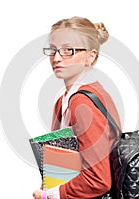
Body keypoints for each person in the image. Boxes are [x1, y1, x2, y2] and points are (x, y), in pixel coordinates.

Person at [32, 16, 121, 199]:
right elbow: (60, 167)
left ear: (90, 56)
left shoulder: (82, 102)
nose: (56, 58)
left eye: (68, 50)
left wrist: (49, 196)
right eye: (53, 50)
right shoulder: (64, 100)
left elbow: (97, 180)